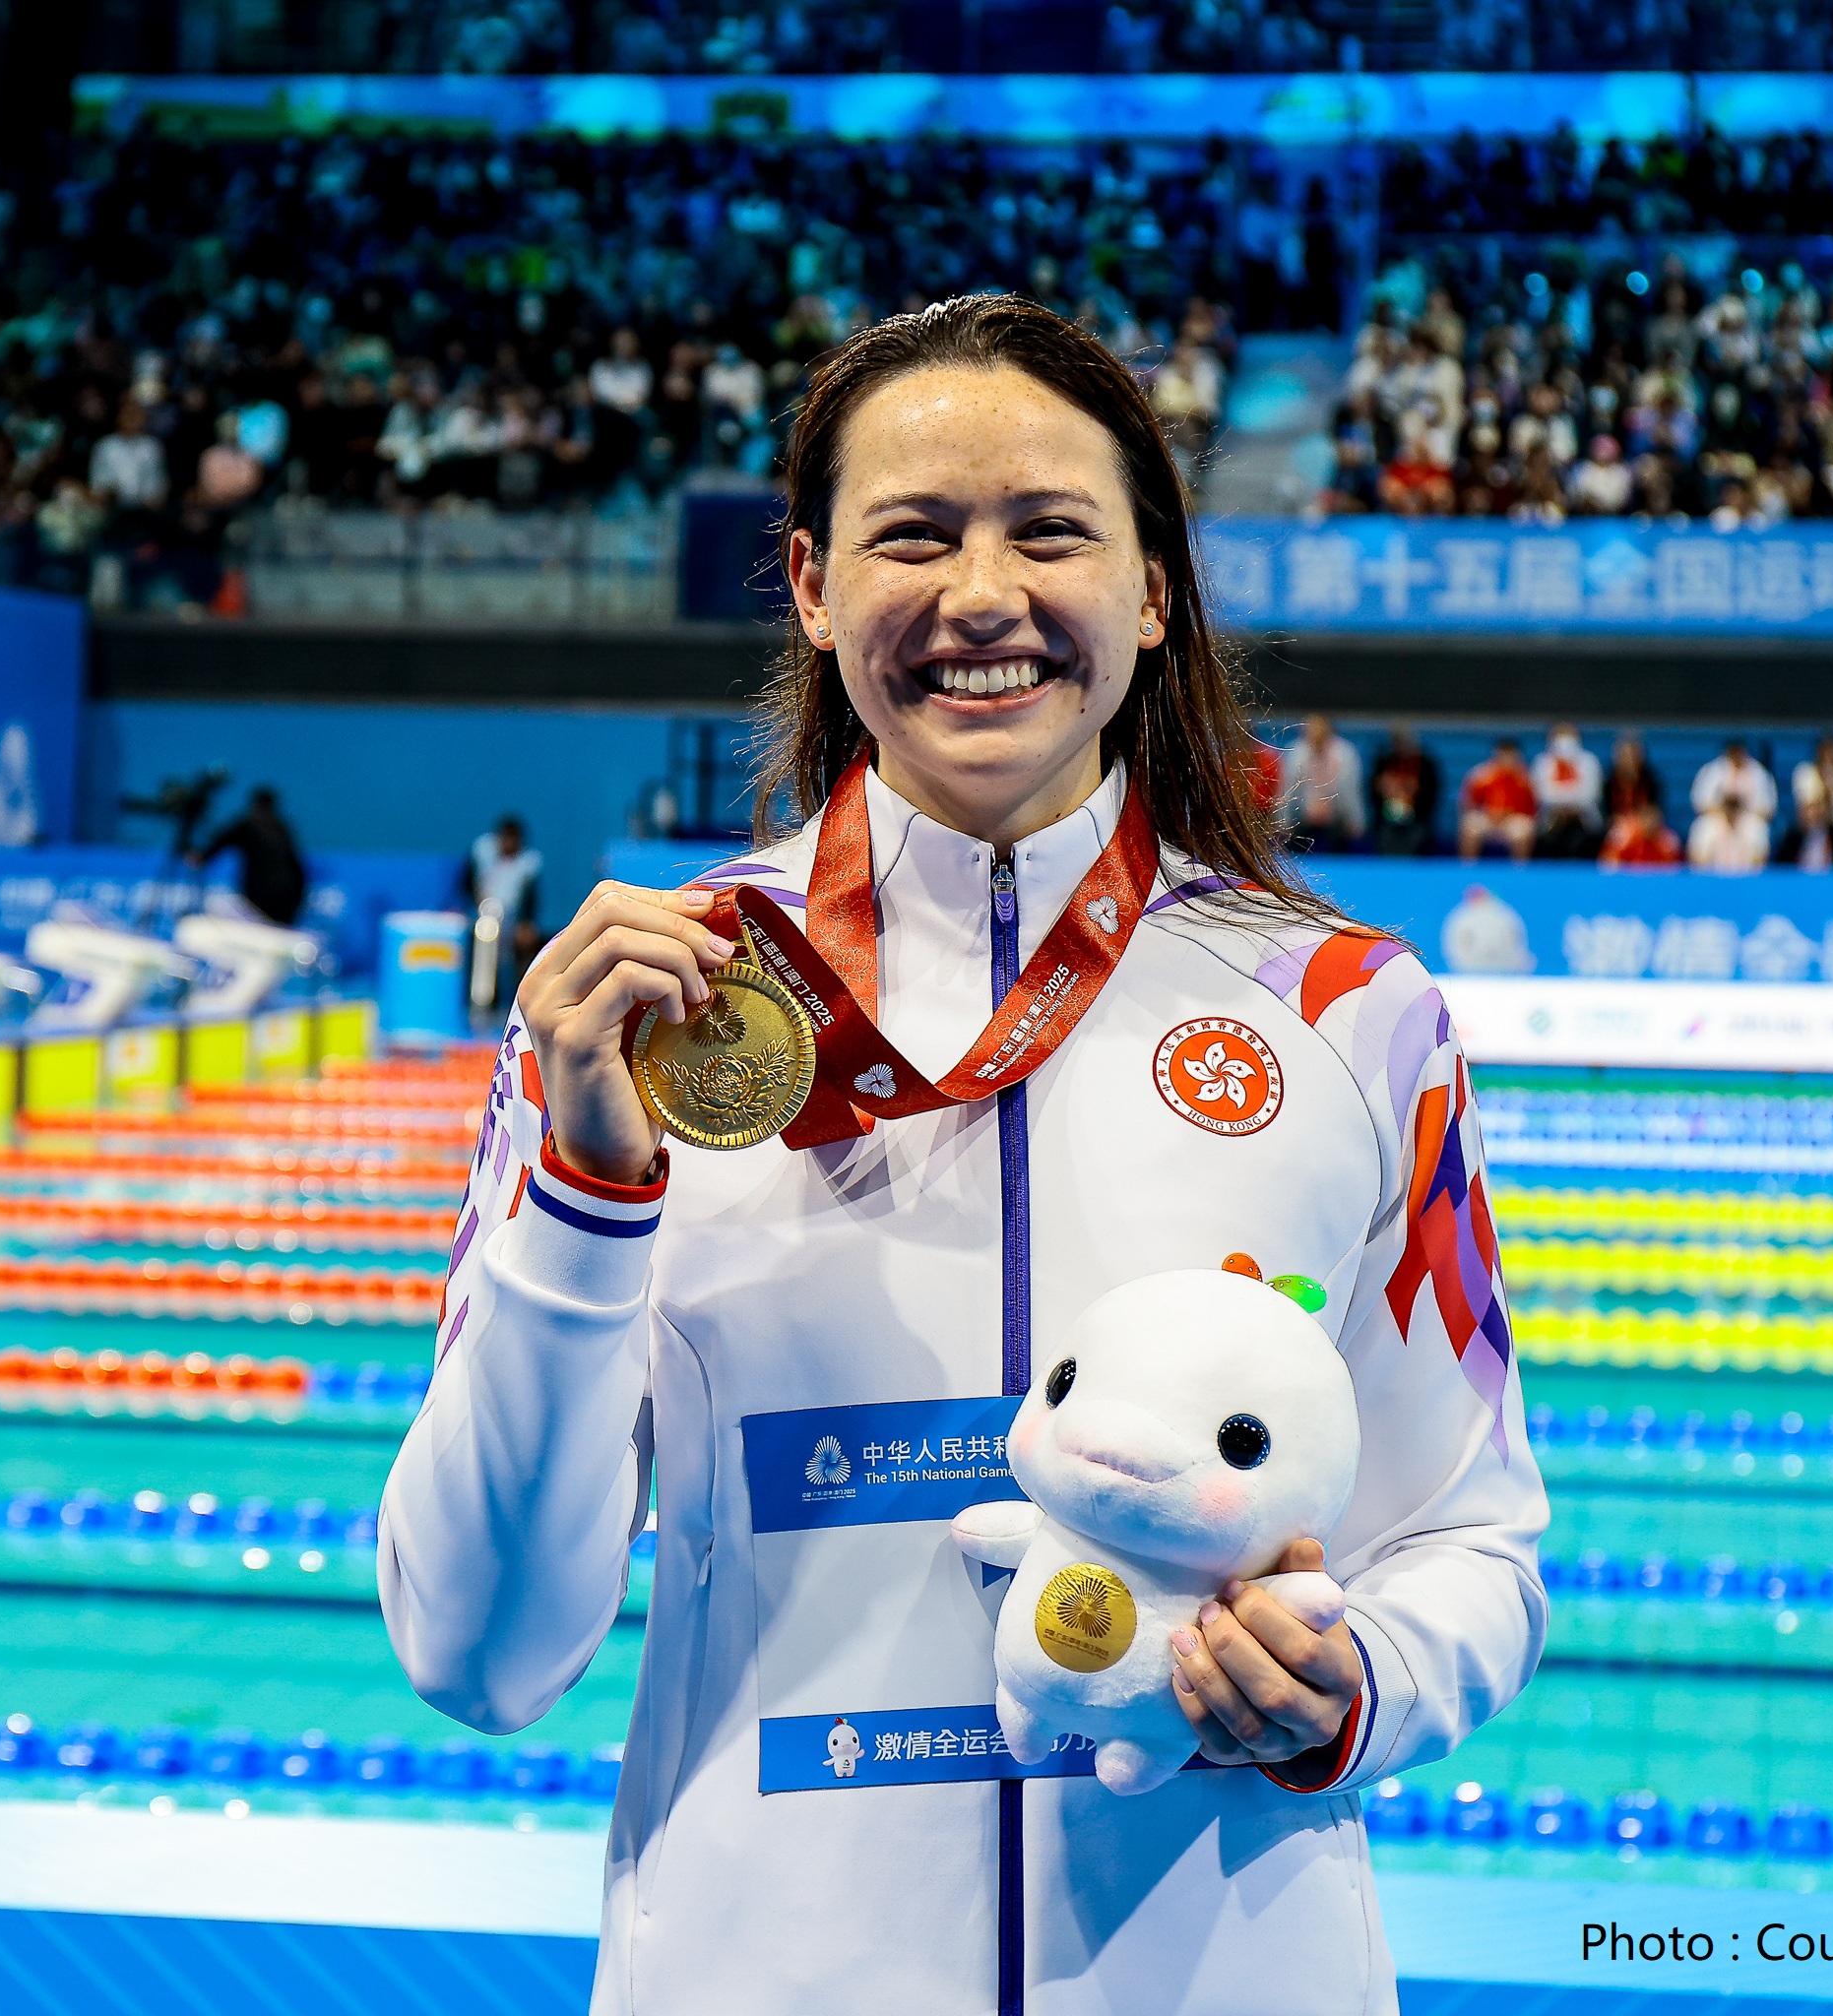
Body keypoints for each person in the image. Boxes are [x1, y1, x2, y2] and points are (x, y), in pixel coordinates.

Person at [382, 296, 1546, 2014]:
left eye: (1049, 531)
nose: (981, 594)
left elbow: (1473, 1540)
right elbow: (476, 1653)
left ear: (1153, 590)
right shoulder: (647, 1012)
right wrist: (588, 1196)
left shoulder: (1349, 1011)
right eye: (912, 535)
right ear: (810, 585)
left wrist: (1356, 1675)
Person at [192, 784, 309, 924]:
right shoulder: (281, 828)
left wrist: (201, 858)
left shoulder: (248, 825)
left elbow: (221, 841)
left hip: (264, 894)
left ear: (255, 805)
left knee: (220, 906)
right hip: (291, 893)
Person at [467, 812, 547, 992]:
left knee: (525, 940)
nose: (508, 844)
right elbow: (468, 884)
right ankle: (481, 994)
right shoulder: (482, 852)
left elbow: (530, 899)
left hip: (512, 918)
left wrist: (526, 923)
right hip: (481, 914)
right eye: (505, 838)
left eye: (512, 840)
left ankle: (520, 994)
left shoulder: (529, 863)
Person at [1277, 713, 1365, 850]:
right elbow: (1286, 790)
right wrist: (1284, 822)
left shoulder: (1345, 753)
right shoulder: (1295, 753)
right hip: (1302, 819)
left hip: (1336, 820)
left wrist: (1356, 822)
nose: (1315, 732)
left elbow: (1350, 791)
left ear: (1328, 730)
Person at [1686, 740, 1776, 872]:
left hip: (1747, 815)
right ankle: (1703, 878)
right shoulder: (1712, 770)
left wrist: (1741, 804)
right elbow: (1699, 804)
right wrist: (1724, 805)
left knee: (1759, 829)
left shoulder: (1758, 772)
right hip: (1718, 815)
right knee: (1702, 827)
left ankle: (1754, 878)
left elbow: (1768, 810)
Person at [1785, 733, 1833, 871]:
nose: (1829, 756)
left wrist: (1831, 785)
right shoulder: (1805, 772)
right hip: (1810, 823)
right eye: (1826, 751)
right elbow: (1805, 803)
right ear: (1818, 752)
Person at [1529, 724, 1603, 859]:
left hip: (1583, 815)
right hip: (1551, 815)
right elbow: (1543, 794)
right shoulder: (1542, 762)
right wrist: (1565, 802)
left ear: (1577, 739)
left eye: (1568, 737)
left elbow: (1590, 794)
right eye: (1560, 737)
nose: (1564, 742)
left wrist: (1569, 803)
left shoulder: (1589, 761)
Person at [1457, 738, 1538, 859]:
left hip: (1512, 820)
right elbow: (1467, 802)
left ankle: (1520, 868)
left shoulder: (1526, 778)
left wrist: (1508, 814)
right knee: (1470, 824)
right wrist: (1489, 813)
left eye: (1510, 755)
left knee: (1523, 829)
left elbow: (1533, 808)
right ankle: (1468, 866)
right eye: (1503, 755)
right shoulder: (1481, 775)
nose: (1507, 759)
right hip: (1487, 817)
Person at [1367, 724, 1438, 856]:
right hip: (1386, 820)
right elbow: (1372, 794)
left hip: (1417, 819)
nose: (1400, 747)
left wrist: (1412, 795)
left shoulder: (1425, 766)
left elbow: (1432, 797)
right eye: (1396, 742)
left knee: (1416, 835)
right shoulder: (1383, 763)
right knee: (1385, 835)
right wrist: (1383, 791)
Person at [1598, 797, 1683, 867]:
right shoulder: (1622, 836)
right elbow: (1607, 865)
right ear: (1637, 819)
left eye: (1652, 818)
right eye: (1645, 818)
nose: (1649, 823)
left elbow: (1677, 870)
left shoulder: (1669, 841)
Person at [1603, 733, 1664, 828]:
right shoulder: (1609, 783)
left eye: (1631, 756)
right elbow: (1606, 815)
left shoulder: (1651, 782)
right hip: (1618, 827)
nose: (1628, 761)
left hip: (1644, 827)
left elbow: (1655, 812)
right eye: (1624, 756)